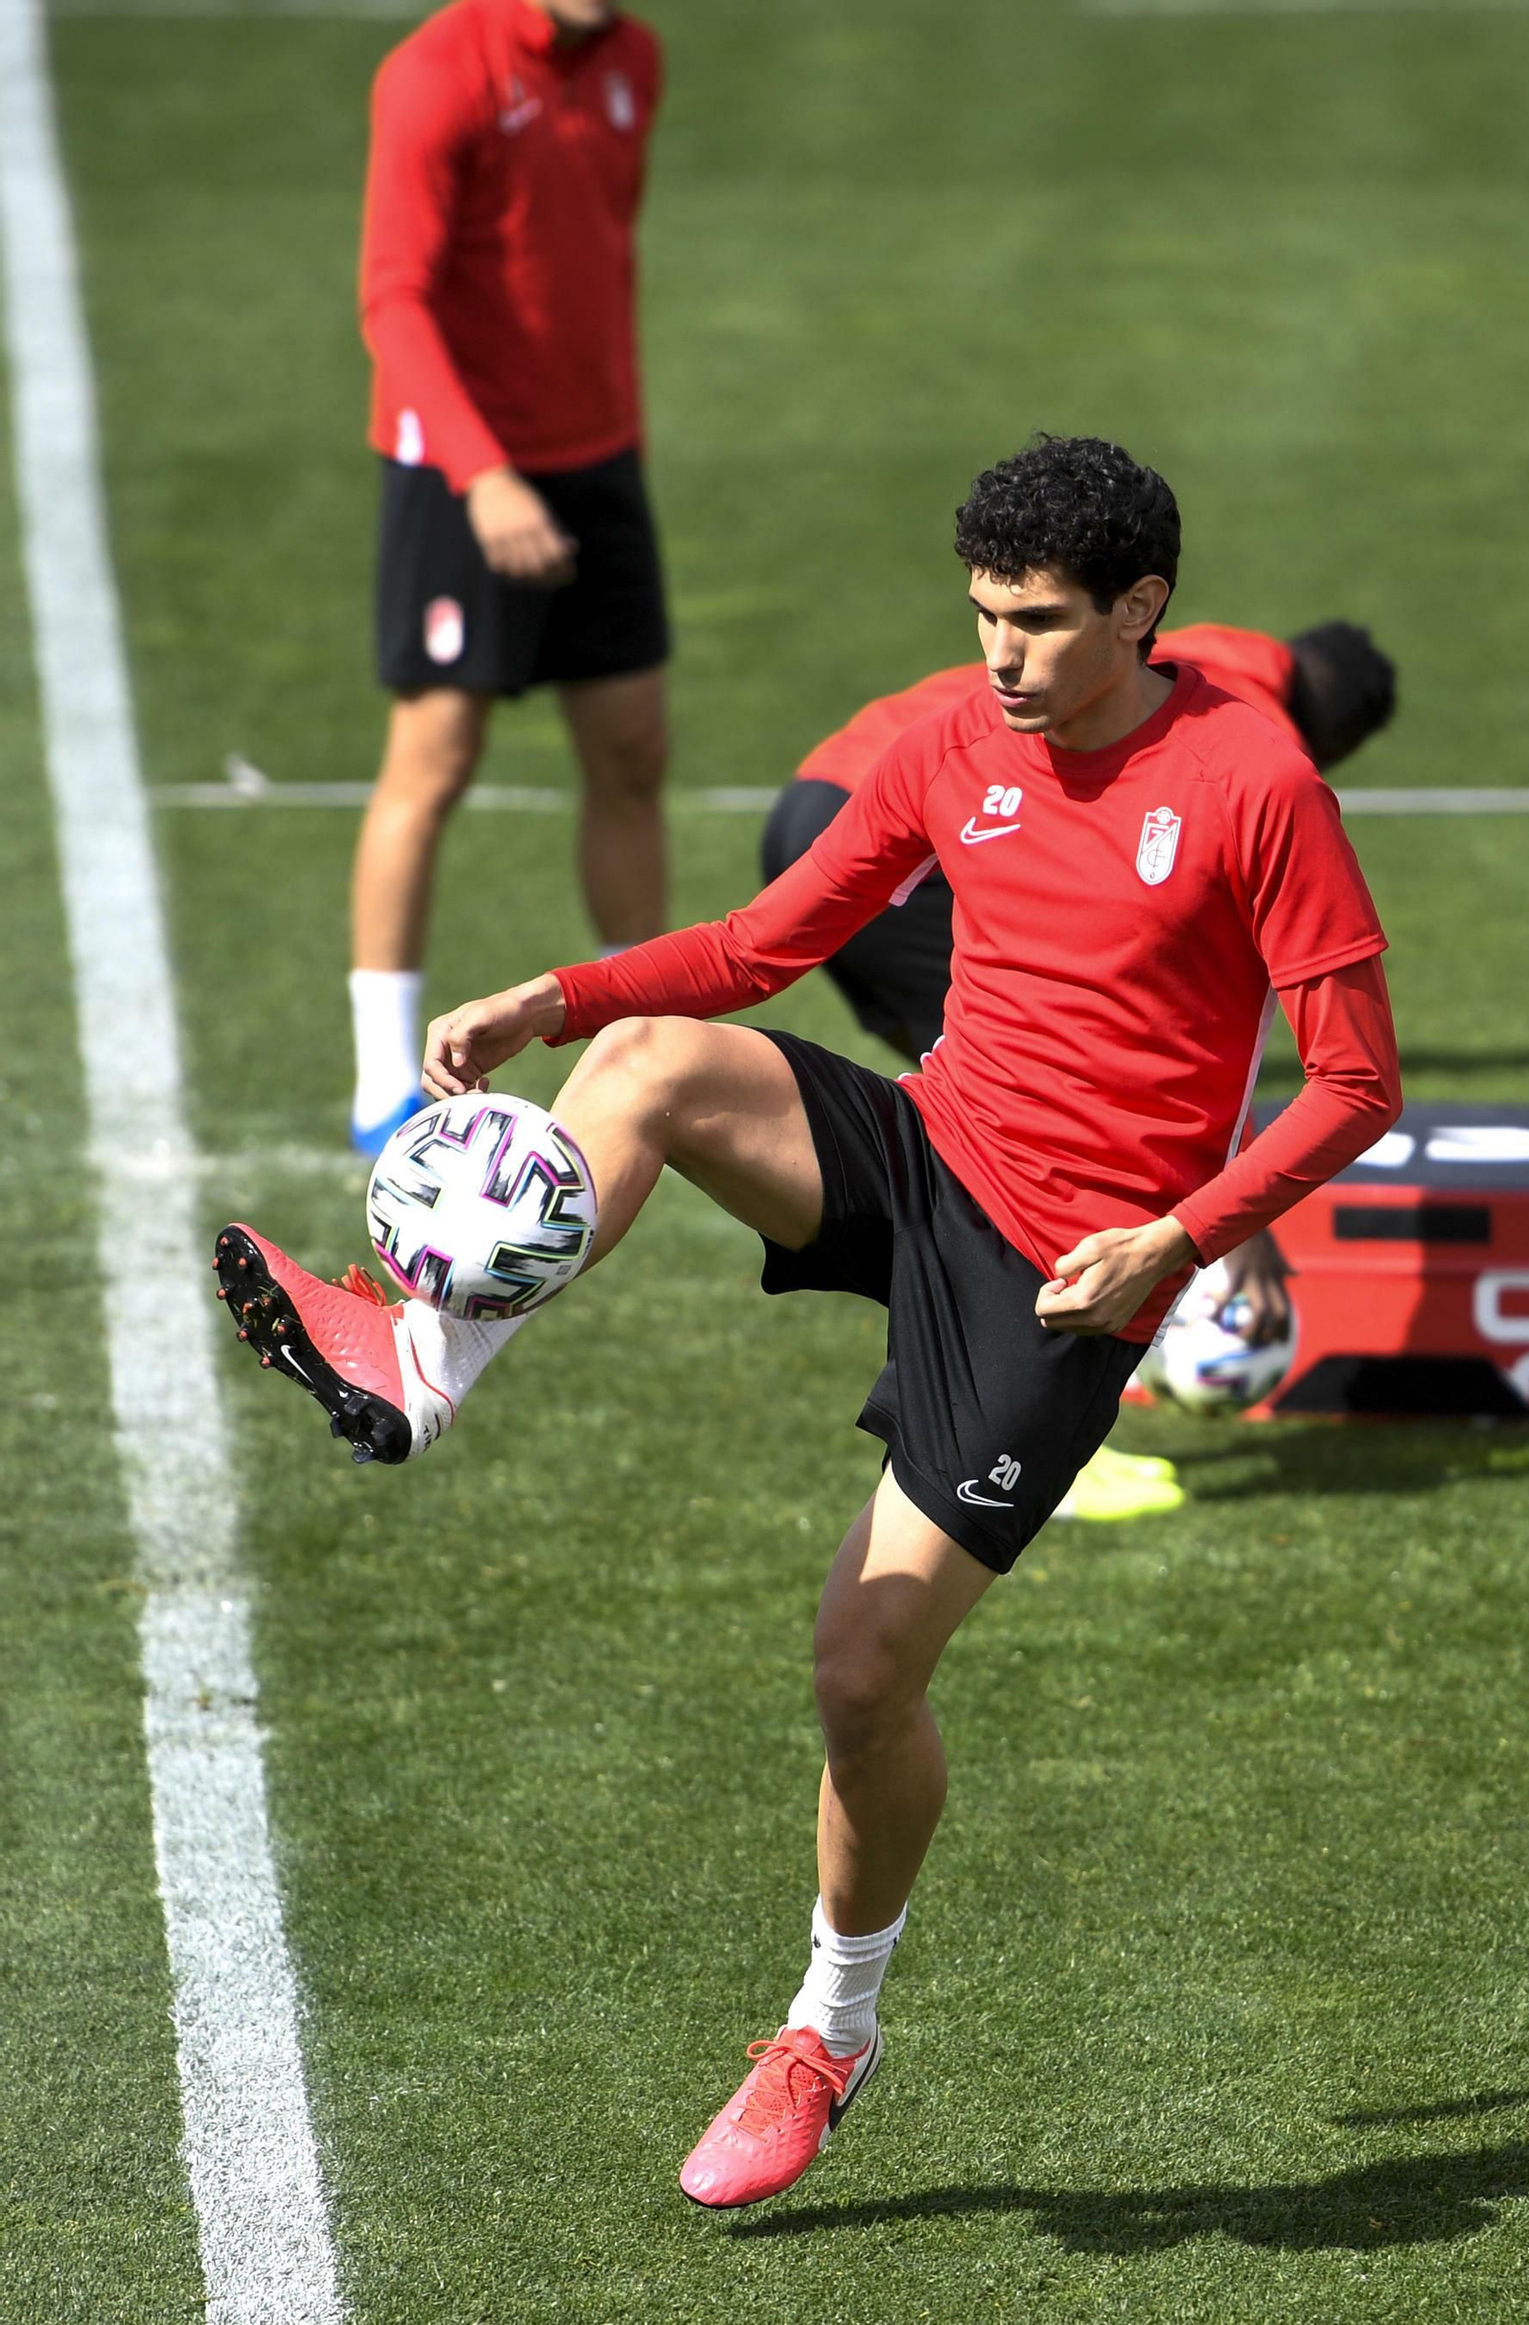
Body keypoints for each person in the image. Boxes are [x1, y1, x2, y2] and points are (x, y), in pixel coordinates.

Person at [214, 435, 1403, 2207]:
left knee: (861, 1674)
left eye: (1043, 623)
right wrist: (560, 991)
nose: (1003, 657)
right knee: (654, 1062)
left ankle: (828, 2032)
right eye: (985, 616)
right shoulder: (956, 745)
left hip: (1070, 1276)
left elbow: (1357, 1083)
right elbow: (770, 941)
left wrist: (1179, 1238)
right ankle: (419, 1358)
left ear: (1143, 610)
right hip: (929, 1149)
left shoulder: (1251, 778)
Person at [759, 617, 1398, 1518]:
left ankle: (982, 1404)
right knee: (1041, 1123)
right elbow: (1171, 1032)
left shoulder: (1192, 651)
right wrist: (1241, 1235)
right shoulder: (1254, 746)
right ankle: (1019, 1427)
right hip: (910, 819)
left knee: (1024, 1126)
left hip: (813, 795)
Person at [349, 0, 670, 1154]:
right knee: (433, 759)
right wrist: (485, 477)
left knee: (633, 750)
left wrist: (610, 435)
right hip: (459, 464)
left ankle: (649, 1035)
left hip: (595, 463)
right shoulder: (435, 73)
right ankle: (380, 1083)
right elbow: (393, 294)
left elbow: (597, 260)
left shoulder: (634, 58)